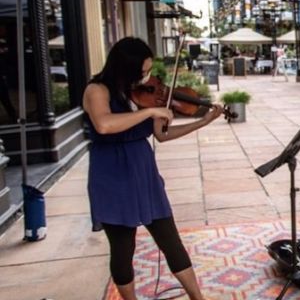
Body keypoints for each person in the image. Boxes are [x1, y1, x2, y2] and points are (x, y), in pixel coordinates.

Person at [82, 37, 223, 300]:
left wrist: (203, 122)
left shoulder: (143, 95)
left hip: (143, 172)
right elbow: (104, 124)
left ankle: (198, 298)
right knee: (123, 248)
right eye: (143, 71)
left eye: (148, 70)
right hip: (111, 176)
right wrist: (149, 113)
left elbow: (162, 135)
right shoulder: (97, 90)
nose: (147, 77)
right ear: (125, 67)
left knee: (170, 239)